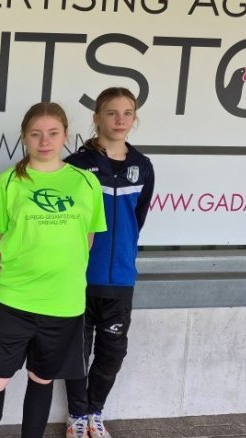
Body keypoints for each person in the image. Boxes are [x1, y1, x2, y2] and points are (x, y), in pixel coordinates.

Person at [0, 102, 106, 438]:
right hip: (14, 301)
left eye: (53, 133)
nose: (45, 141)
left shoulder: (86, 183)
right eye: (36, 134)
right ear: (24, 137)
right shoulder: (8, 182)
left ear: (65, 135)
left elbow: (87, 240)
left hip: (63, 305)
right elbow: (0, 240)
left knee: (41, 380)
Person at [62, 87, 154, 438]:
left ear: (134, 118)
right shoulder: (76, 165)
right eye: (112, 112)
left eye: (127, 113)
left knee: (112, 354)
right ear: (97, 117)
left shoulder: (142, 167)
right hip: (79, 277)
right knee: (75, 353)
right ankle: (76, 415)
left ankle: (95, 412)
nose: (119, 120)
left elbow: (137, 218)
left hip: (120, 280)